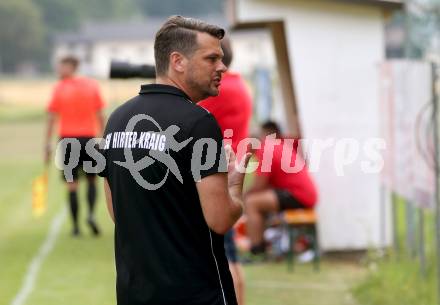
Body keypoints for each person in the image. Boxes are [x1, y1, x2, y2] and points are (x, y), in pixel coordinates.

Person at [99, 16, 251, 305]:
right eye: (212, 58)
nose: (223, 67)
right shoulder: (199, 123)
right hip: (196, 294)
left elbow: (118, 212)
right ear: (178, 61)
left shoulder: (116, 120)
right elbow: (220, 220)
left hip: (135, 294)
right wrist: (234, 187)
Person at [198, 36, 251, 305]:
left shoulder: (217, 89)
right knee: (229, 253)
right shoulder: (239, 84)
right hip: (232, 168)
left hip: (219, 173)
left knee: (225, 255)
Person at [45, 55, 105, 236]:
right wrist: (103, 139)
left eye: (61, 66)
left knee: (72, 184)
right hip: (90, 140)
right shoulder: (92, 85)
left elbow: (51, 118)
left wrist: (46, 143)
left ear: (71, 67)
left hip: (68, 140)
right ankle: (91, 215)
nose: (59, 70)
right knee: (92, 180)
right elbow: (100, 114)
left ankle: (76, 227)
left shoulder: (60, 88)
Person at [245, 121, 318, 255]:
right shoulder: (274, 145)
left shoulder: (265, 148)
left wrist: (242, 195)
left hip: (299, 195)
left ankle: (257, 249)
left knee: (251, 202)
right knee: (256, 201)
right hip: (303, 193)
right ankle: (264, 244)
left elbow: (259, 185)